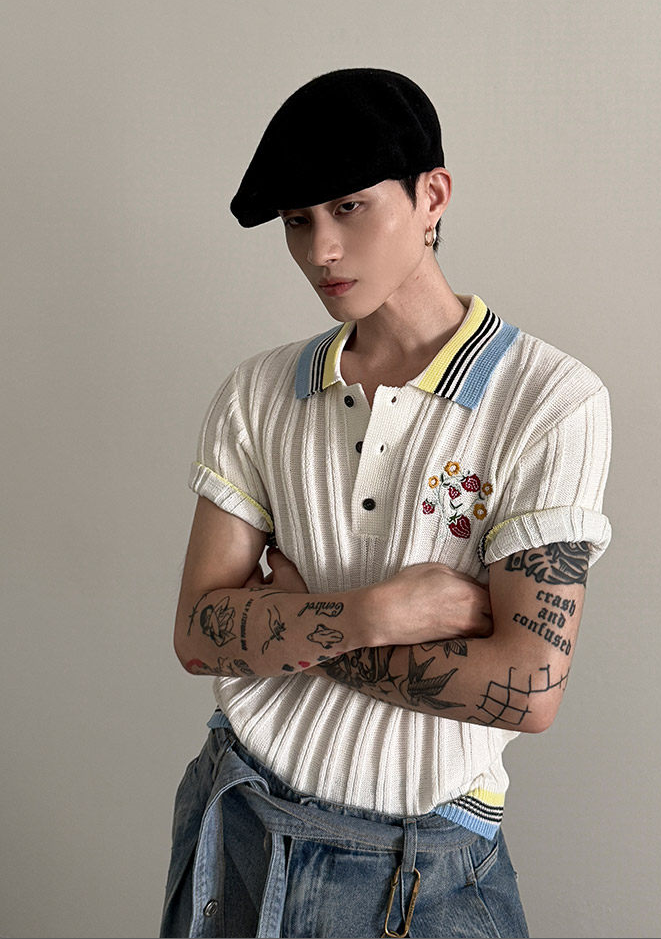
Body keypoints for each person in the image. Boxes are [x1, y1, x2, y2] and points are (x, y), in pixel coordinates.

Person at [159, 68, 612, 939]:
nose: (321, 250)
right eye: (299, 220)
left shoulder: (549, 400)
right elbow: (197, 632)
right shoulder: (258, 393)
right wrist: (376, 612)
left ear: (432, 195)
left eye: (349, 207)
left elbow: (527, 688)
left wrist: (299, 624)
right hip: (239, 820)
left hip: (420, 869)